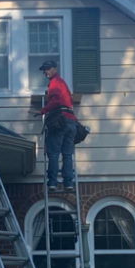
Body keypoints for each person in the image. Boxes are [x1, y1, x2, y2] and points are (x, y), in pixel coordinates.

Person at [35, 59, 78, 191]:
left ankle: (53, 182)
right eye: (44, 70)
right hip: (71, 122)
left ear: (55, 68)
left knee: (53, 154)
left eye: (48, 69)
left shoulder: (54, 83)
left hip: (61, 121)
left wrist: (42, 111)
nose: (46, 72)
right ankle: (68, 183)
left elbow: (55, 100)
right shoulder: (63, 84)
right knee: (67, 154)